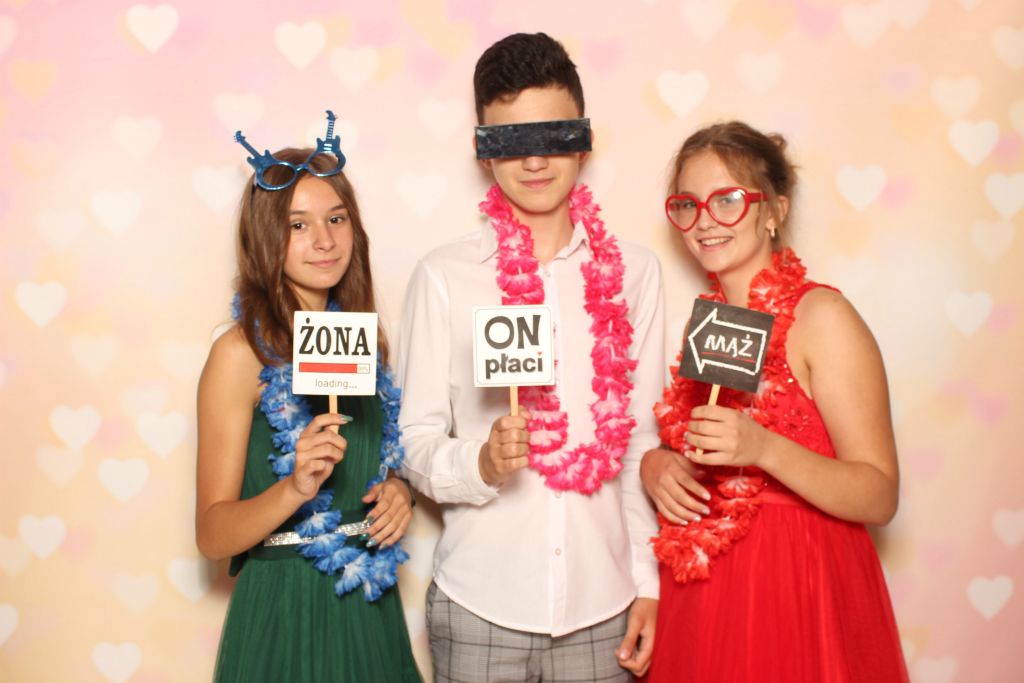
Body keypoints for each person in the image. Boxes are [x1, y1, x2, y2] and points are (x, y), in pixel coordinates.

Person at [397, 33, 665, 682]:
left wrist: (647, 582)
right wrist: (482, 462)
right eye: (512, 139)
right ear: (483, 150)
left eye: (555, 135)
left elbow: (639, 441)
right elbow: (413, 440)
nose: (537, 159)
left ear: (584, 140)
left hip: (605, 606)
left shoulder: (635, 273)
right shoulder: (443, 276)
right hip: (479, 603)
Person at [642, 121, 908, 681]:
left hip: (797, 593)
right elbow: (700, 458)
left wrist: (764, 448)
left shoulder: (823, 318)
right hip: (705, 594)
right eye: (688, 204)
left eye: (728, 199)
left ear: (775, 210)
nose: (705, 220)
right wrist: (657, 464)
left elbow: (880, 495)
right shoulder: (704, 326)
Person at [195, 114, 422, 682]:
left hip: (368, 605)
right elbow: (212, 535)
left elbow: (373, 466)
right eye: (298, 225)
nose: (325, 240)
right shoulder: (240, 353)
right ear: (265, 237)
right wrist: (295, 488)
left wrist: (398, 492)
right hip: (285, 611)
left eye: (336, 219)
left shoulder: (365, 343)